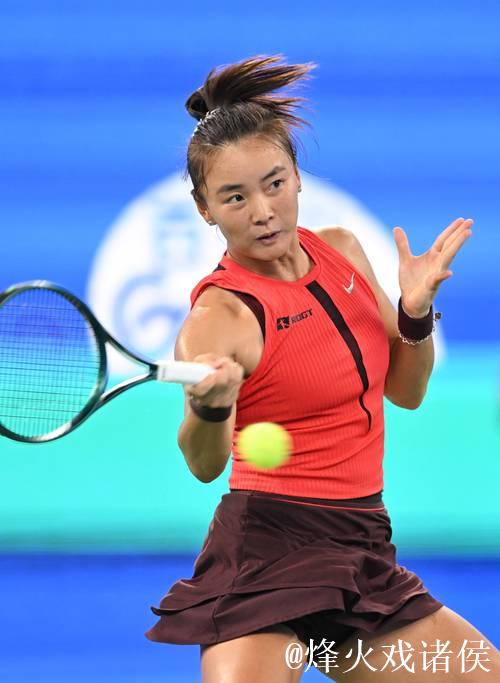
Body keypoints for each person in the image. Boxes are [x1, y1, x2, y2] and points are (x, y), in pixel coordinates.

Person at [145, 55, 498, 682]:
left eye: (274, 183)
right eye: (235, 197)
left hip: (361, 546)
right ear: (204, 209)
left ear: (297, 177)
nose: (262, 210)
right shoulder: (220, 315)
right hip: (264, 555)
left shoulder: (341, 251)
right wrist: (210, 405)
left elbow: (406, 391)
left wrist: (415, 315)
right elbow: (203, 464)